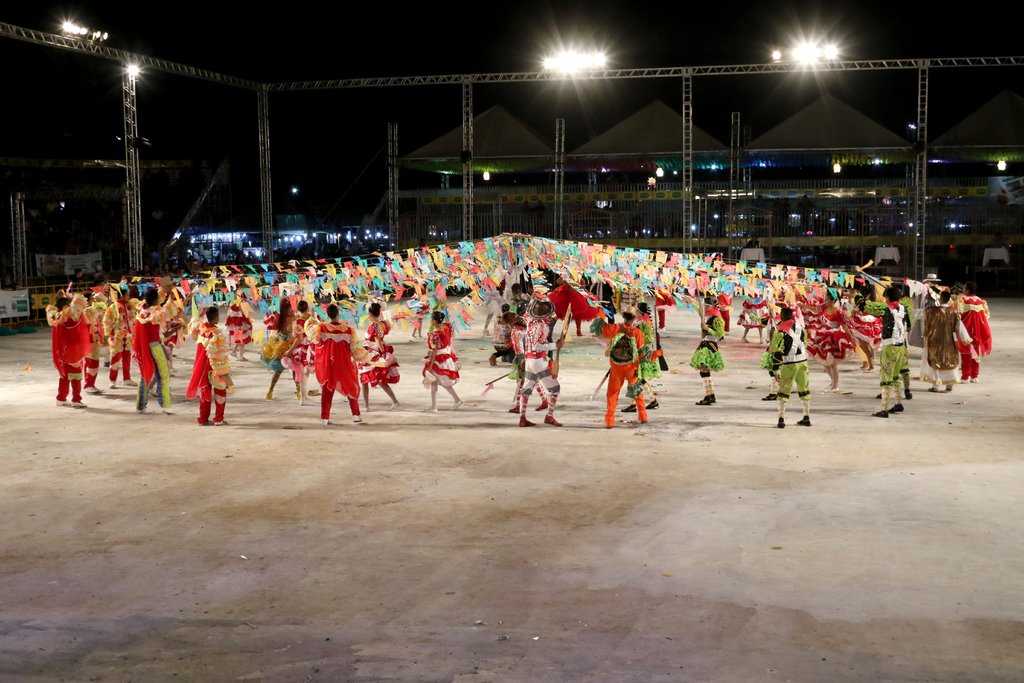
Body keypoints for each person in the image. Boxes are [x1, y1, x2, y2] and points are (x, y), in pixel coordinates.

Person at [591, 309, 650, 428]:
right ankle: (643, 416)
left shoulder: (615, 328)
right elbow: (643, 354)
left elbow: (598, 329)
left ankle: (609, 421)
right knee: (637, 392)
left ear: (624, 317)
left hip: (616, 366)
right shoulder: (637, 332)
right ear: (633, 319)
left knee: (612, 393)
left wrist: (600, 313)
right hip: (631, 367)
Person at [306, 303, 363, 425]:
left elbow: (312, 338)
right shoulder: (348, 330)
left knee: (327, 390)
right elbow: (355, 349)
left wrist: (311, 317)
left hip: (328, 364)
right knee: (350, 387)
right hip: (344, 364)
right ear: (338, 314)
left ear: (327, 315)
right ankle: (356, 415)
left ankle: (324, 418)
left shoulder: (321, 328)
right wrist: (365, 358)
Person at [516, 298, 564, 427]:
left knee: (526, 389)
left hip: (529, 360)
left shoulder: (530, 322)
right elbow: (537, 346)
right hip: (538, 361)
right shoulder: (541, 325)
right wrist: (555, 345)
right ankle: (549, 416)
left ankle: (522, 418)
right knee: (555, 389)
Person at [132, 287, 179, 414]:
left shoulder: (140, 309)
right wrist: (176, 328)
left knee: (144, 376)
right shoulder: (157, 312)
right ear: (155, 300)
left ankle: (140, 406)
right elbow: (165, 332)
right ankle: (165, 405)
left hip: (143, 348)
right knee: (163, 375)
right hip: (155, 347)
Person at [185, 306, 232, 426]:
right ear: (216, 318)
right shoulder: (217, 333)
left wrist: (200, 315)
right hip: (215, 366)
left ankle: (203, 418)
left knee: (205, 392)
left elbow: (193, 328)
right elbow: (220, 354)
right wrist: (224, 371)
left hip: (201, 367)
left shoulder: (200, 328)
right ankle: (218, 418)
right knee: (220, 391)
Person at [45, 293, 92, 408]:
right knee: (76, 375)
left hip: (63, 350)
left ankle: (61, 398)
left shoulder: (56, 316)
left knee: (65, 376)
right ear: (66, 306)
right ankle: (76, 399)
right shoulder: (68, 317)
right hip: (73, 350)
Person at [769, 306, 812, 428]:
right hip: (803, 362)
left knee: (784, 391)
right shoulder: (801, 329)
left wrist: (775, 369)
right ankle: (806, 416)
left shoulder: (780, 332)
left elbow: (777, 351)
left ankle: (781, 419)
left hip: (789, 364)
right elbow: (805, 344)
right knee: (804, 389)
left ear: (782, 316)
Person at [923, 289, 972, 392]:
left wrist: (925, 336)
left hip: (934, 341)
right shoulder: (953, 312)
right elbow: (959, 326)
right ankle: (950, 384)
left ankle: (935, 386)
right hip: (949, 341)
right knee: (950, 361)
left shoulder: (931, 312)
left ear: (940, 299)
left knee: (935, 362)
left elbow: (924, 323)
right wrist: (965, 338)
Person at [874, 286, 912, 418]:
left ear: (888, 298)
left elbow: (866, 307)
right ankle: (898, 403)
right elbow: (910, 326)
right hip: (902, 348)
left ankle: (883, 409)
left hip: (890, 348)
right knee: (896, 377)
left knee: (886, 377)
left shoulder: (886, 310)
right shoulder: (904, 309)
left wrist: (859, 299)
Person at [359, 301, 402, 411]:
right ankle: (395, 401)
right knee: (380, 380)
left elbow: (377, 340)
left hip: (372, 353)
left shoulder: (374, 326)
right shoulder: (384, 323)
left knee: (365, 380)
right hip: (375, 350)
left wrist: (382, 354)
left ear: (370, 313)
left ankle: (366, 406)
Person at [422, 310, 464, 412]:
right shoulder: (447, 326)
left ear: (435, 321)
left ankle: (434, 407)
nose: (431, 321)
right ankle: (455, 400)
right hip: (447, 357)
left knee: (435, 382)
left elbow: (434, 351)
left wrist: (430, 367)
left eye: (432, 319)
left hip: (439, 360)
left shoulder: (435, 334)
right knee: (438, 382)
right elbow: (450, 338)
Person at [689, 293, 726, 405]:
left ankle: (709, 395)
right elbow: (699, 309)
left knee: (704, 370)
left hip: (710, 345)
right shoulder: (707, 315)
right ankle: (710, 395)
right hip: (705, 343)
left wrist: (707, 329)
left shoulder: (717, 317)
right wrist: (691, 301)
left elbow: (720, 335)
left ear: (711, 306)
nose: (704, 307)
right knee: (704, 370)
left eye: (706, 305)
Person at [261, 299, 298, 400]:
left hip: (280, 344)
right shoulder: (292, 318)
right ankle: (299, 392)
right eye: (290, 307)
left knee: (279, 371)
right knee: (293, 369)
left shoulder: (280, 318)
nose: (292, 309)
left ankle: (270, 391)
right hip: (287, 346)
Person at [957, 281, 992, 383]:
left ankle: (965, 376)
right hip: (977, 332)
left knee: (965, 353)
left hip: (966, 331)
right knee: (975, 353)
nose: (963, 290)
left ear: (967, 290)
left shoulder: (962, 300)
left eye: (964, 288)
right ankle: (974, 376)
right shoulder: (981, 301)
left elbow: (958, 315)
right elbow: (985, 317)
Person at [103, 288, 137, 389]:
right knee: (115, 359)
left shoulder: (131, 305)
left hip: (128, 336)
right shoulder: (113, 307)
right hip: (117, 337)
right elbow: (107, 321)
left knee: (127, 358)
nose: (129, 296)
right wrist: (107, 335)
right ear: (122, 295)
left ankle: (127, 378)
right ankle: (112, 380)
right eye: (127, 294)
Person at [225, 293, 254, 361]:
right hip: (239, 323)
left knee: (240, 339)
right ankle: (240, 355)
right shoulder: (236, 303)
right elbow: (239, 313)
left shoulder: (232, 303)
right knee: (241, 340)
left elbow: (232, 313)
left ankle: (234, 352)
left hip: (237, 323)